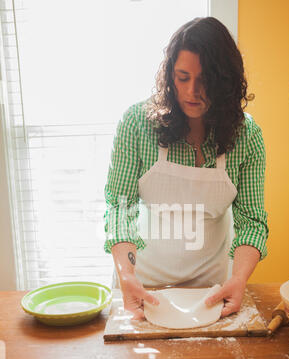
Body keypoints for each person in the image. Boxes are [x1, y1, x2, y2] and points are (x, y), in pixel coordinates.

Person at [103, 17, 269, 320]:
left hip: (212, 291)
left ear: (226, 82)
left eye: (205, 80)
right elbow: (119, 206)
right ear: (170, 76)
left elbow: (252, 223)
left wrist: (239, 279)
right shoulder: (136, 125)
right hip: (143, 286)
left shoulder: (247, 138)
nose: (192, 91)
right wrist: (126, 274)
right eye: (182, 77)